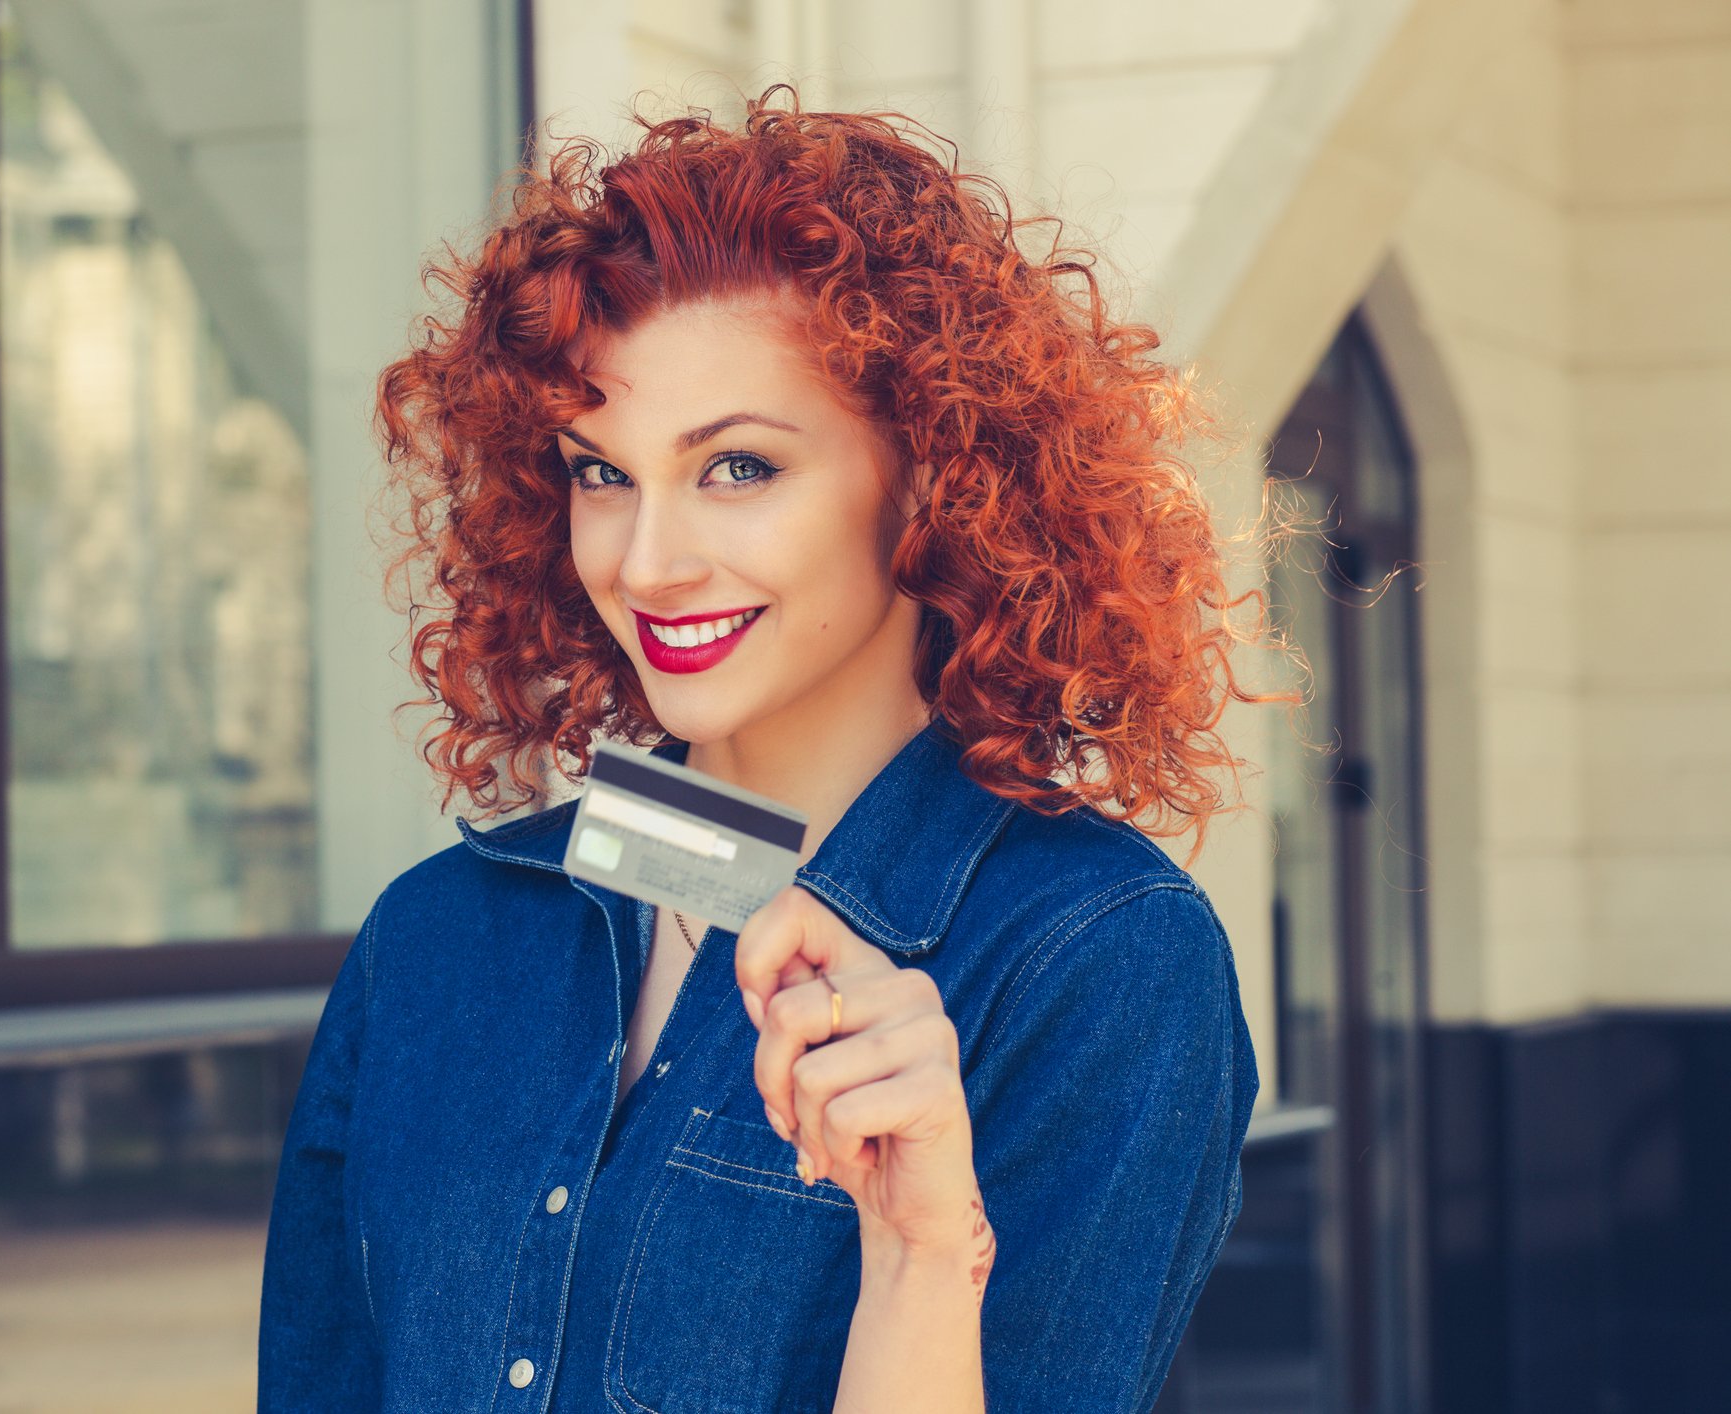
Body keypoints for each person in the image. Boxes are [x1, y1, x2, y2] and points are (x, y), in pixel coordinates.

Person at [260, 83, 1300, 1413]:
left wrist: (922, 1256)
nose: (645, 560)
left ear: (930, 473)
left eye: (736, 467)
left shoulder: (1092, 959)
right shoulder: (437, 941)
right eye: (598, 472)